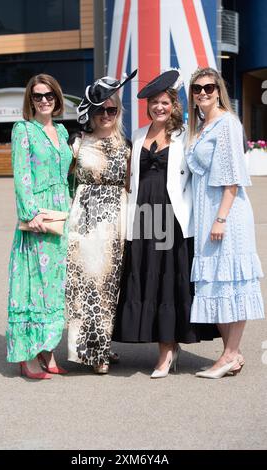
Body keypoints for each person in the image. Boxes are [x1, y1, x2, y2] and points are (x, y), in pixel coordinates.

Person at [113, 69, 219, 378]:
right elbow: (129, 179)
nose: (159, 107)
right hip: (143, 218)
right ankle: (164, 345)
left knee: (168, 282)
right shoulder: (136, 135)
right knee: (146, 278)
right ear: (148, 107)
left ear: (174, 105)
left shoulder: (185, 135)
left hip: (171, 218)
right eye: (154, 103)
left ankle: (168, 348)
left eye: (165, 102)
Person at [186, 67, 265, 379]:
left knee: (232, 283)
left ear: (218, 91)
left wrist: (220, 219)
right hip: (207, 214)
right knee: (213, 283)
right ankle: (233, 354)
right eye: (197, 89)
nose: (203, 93)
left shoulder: (227, 124)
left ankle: (230, 354)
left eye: (208, 87)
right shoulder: (202, 126)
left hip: (226, 216)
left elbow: (232, 179)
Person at [65, 71, 137, 374]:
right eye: (100, 110)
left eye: (112, 109)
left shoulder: (128, 144)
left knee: (109, 288)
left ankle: (100, 345)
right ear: (91, 112)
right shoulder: (78, 142)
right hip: (84, 221)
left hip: (115, 224)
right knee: (85, 287)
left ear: (118, 111)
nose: (106, 115)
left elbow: (134, 185)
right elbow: (60, 181)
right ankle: (92, 353)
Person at [6, 74, 73, 379]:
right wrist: (30, 213)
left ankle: (48, 348)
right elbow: (21, 174)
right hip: (39, 216)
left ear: (57, 98)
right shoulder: (23, 130)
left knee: (56, 287)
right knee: (35, 285)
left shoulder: (61, 130)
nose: (44, 100)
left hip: (63, 213)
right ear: (30, 100)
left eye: (49, 95)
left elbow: (67, 173)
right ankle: (27, 355)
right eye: (38, 96)